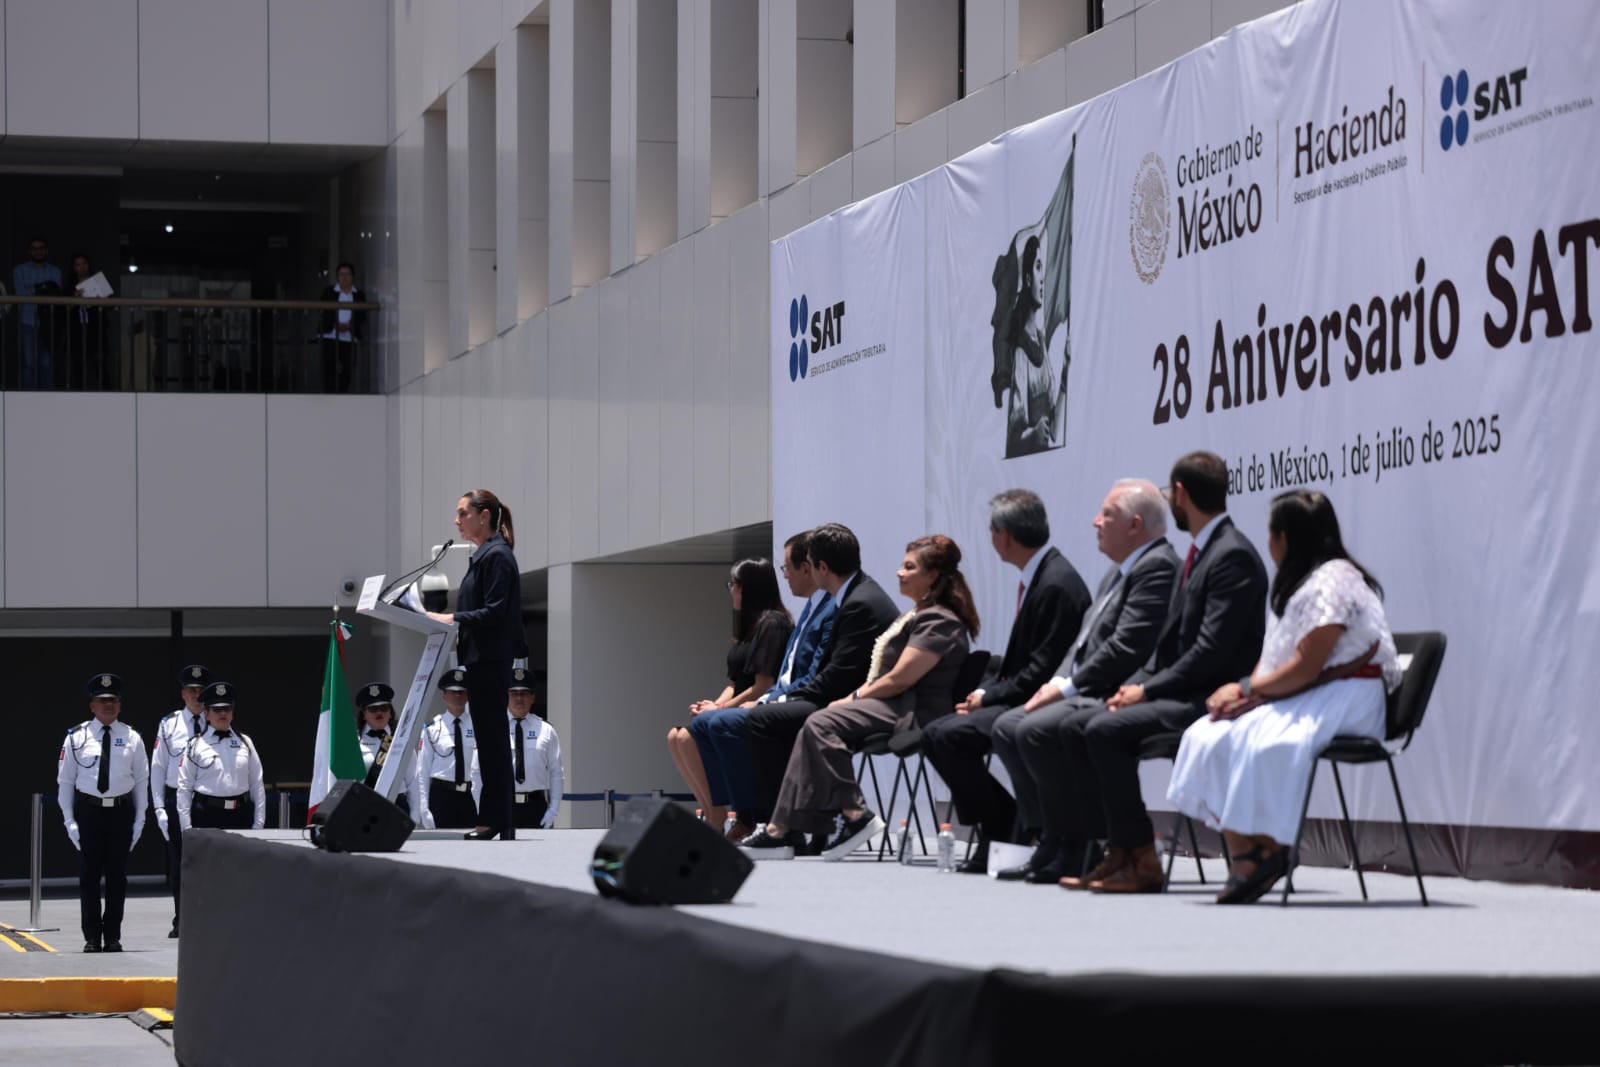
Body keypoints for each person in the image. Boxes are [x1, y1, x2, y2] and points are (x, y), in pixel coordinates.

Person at [1168, 490, 1400, 904]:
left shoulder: (1335, 581)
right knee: (1208, 733)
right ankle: (1252, 850)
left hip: (1349, 698)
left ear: (1285, 537)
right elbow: (1277, 661)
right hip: (1313, 695)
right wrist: (1244, 691)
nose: (1268, 542)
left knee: (1258, 739)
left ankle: (1266, 849)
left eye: (1271, 533)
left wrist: (1247, 690)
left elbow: (1308, 666)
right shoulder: (1303, 583)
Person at [1051, 452, 1268, 893]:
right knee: (1080, 725)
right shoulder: (1204, 551)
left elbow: (1210, 653)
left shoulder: (1231, 555)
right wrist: (1134, 687)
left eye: (1170, 494)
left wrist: (1146, 692)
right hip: (1185, 690)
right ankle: (1120, 851)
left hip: (1214, 697)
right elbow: (1172, 647)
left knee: (1103, 729)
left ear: (1181, 494)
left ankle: (1142, 859)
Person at [743, 535, 979, 861]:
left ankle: (852, 814)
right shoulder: (919, 614)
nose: (899, 573)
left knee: (821, 722)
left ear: (933, 576)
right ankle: (781, 828)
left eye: (909, 567)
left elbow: (900, 678)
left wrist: (852, 697)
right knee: (817, 722)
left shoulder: (939, 620)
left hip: (913, 711)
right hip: (893, 705)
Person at [990, 480, 1178, 883]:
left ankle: (1081, 844)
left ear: (1135, 525)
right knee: (1007, 726)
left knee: (1036, 729)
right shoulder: (1118, 571)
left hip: (1117, 689)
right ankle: (1050, 839)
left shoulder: (1158, 566)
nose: (1095, 522)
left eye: (1106, 514)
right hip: (1088, 687)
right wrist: (1057, 681)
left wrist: (1065, 688)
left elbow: (1127, 647)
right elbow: (1081, 645)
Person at [919, 489, 1090, 873]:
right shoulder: (1041, 577)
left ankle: (1002, 826)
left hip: (1042, 700)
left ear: (1005, 535)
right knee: (935, 734)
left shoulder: (1056, 584)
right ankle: (1003, 820)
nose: (991, 539)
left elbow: (1042, 670)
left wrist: (989, 697)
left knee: (948, 737)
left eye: (992, 531)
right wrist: (985, 692)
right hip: (1022, 695)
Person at [743, 523, 900, 836]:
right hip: (843, 697)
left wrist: (786, 699)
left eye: (810, 565)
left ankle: (787, 828)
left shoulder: (859, 603)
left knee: (762, 720)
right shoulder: (854, 594)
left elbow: (837, 676)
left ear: (822, 568)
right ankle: (799, 826)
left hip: (855, 702)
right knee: (771, 718)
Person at [688, 532, 836, 842]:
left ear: (807, 567)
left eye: (788, 568)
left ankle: (760, 818)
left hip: (799, 702)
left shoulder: (781, 621)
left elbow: (783, 679)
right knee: (699, 725)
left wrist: (764, 701)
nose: (786, 575)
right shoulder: (808, 610)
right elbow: (752, 680)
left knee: (719, 723)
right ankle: (731, 814)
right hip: (780, 698)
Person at [667, 558, 792, 839]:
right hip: (736, 706)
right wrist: (713, 705)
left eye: (734, 584)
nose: (731, 591)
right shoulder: (749, 629)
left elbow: (762, 685)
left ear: (749, 588)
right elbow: (735, 683)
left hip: (759, 709)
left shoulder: (772, 624)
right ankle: (712, 812)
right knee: (676, 737)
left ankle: (725, 816)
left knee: (687, 737)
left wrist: (720, 709)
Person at [427, 489, 527, 840]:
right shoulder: (485, 555)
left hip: (491, 659)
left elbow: (495, 612)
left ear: (484, 517)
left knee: (493, 740)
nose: (456, 520)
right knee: (490, 738)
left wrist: (451, 617)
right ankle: (499, 819)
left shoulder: (497, 556)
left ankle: (496, 819)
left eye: (463, 513)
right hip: (481, 659)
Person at [57, 673, 148, 953]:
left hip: (120, 812)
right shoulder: (76, 737)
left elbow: (141, 780)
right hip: (89, 812)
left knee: (117, 878)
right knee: (89, 877)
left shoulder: (132, 737)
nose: (108, 705)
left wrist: (140, 819)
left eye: (113, 700)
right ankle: (92, 937)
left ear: (120, 705)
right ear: (92, 705)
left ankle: (113, 936)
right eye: (102, 700)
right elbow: (65, 781)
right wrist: (69, 820)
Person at [148, 664, 212, 938]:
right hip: (176, 800)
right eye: (191, 690)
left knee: (210, 862)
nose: (196, 695)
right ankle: (182, 919)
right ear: (183, 693)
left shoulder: (217, 721)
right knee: (180, 864)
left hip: (208, 799)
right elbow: (158, 768)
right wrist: (159, 807)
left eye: (200, 690)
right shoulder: (169, 724)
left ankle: (208, 918)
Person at [177, 682, 266, 833]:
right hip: (207, 816)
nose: (222, 713)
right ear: (206, 714)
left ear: (232, 712)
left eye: (227, 708)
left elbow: (257, 784)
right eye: (217, 709)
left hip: (241, 815)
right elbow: (185, 787)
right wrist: (186, 827)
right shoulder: (195, 745)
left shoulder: (245, 742)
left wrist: (259, 823)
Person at [1005, 234, 1057, 457]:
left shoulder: (1041, 343)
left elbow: (1054, 421)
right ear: (1027, 279)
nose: (1042, 278)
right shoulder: (1021, 351)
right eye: (1037, 267)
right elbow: (1013, 439)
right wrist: (1033, 435)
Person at [414, 668, 481, 830]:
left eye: (461, 692)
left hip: (470, 795)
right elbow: (422, 771)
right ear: (444, 696)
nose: (457, 696)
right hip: (442, 796)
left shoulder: (478, 727)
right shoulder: (432, 729)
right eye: (453, 692)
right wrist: (424, 807)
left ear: (467, 696)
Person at [507, 668, 564, 830]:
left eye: (524, 693)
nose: (519, 698)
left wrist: (553, 810)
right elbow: (479, 772)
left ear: (532, 698)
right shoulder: (495, 729)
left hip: (535, 807)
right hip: (504, 806)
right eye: (514, 693)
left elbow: (556, 772)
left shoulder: (546, 730)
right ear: (506, 696)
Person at [13, 236, 63, 390]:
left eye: (41, 248)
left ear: (46, 251)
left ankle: (45, 396)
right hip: (28, 320)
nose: (38, 252)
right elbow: (21, 294)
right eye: (34, 249)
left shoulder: (54, 271)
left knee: (46, 362)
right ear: (29, 251)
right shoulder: (20, 270)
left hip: (49, 322)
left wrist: (34, 289)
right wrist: (45, 288)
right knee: (28, 362)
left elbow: (56, 294)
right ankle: (27, 396)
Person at [319, 262, 368, 392]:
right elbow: (323, 311)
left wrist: (349, 325)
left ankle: (342, 392)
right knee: (329, 366)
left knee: (348, 367)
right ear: (337, 276)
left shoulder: (358, 294)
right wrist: (335, 324)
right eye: (341, 274)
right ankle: (330, 393)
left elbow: (362, 315)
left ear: (352, 276)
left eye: (347, 274)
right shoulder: (329, 291)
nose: (344, 277)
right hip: (330, 335)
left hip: (349, 336)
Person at [65, 253, 109, 389]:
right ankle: (79, 391)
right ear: (73, 268)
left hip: (96, 327)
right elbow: (64, 307)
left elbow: (109, 303)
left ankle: (106, 391)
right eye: (78, 265)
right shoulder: (69, 285)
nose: (82, 267)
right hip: (77, 328)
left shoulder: (98, 281)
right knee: (78, 362)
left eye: (84, 263)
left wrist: (100, 300)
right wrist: (75, 297)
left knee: (100, 361)